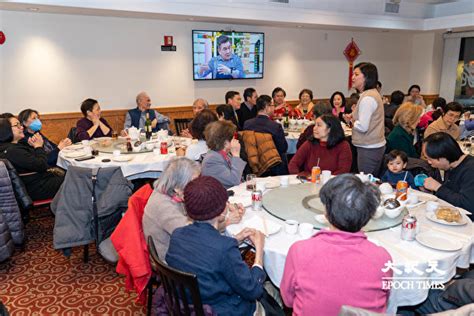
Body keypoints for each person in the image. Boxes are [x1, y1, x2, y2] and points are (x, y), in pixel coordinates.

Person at [280, 174, 392, 315]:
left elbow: (288, 300)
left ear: (326, 213)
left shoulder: (300, 251)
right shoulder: (382, 258)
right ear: (368, 217)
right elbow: (384, 300)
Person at [166, 176, 266, 316]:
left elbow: (204, 251)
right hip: (222, 310)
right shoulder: (224, 249)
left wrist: (234, 240)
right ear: (222, 210)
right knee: (270, 293)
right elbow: (252, 290)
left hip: (187, 306)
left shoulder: (177, 235)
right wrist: (259, 253)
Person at [0, 117, 64, 200]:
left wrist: (33, 147)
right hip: (37, 187)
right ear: (5, 130)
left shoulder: (10, 147)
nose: (22, 127)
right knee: (75, 179)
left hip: (34, 182)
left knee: (73, 174)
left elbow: (30, 161)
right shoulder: (12, 151)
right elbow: (42, 165)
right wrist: (38, 147)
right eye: (17, 125)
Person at [347, 62, 386, 176]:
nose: (352, 77)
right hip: (373, 146)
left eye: (356, 74)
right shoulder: (371, 94)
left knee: (366, 182)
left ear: (366, 77)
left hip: (369, 148)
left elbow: (363, 127)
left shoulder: (367, 98)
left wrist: (352, 122)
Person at [422, 132, 474, 216]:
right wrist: (429, 191)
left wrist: (438, 187)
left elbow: (468, 206)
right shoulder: (450, 165)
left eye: (430, 159)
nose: (429, 162)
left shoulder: (470, 170)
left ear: (443, 157)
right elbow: (450, 193)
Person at [243, 95, 288, 175]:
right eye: (273, 105)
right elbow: (283, 148)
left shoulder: (247, 124)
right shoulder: (274, 126)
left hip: (254, 164)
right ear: (267, 107)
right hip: (272, 165)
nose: (274, 108)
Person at [201, 121, 247, 189]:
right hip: (222, 197)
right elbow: (234, 180)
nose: (236, 140)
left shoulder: (222, 154)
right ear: (225, 143)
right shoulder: (212, 160)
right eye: (233, 138)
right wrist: (236, 155)